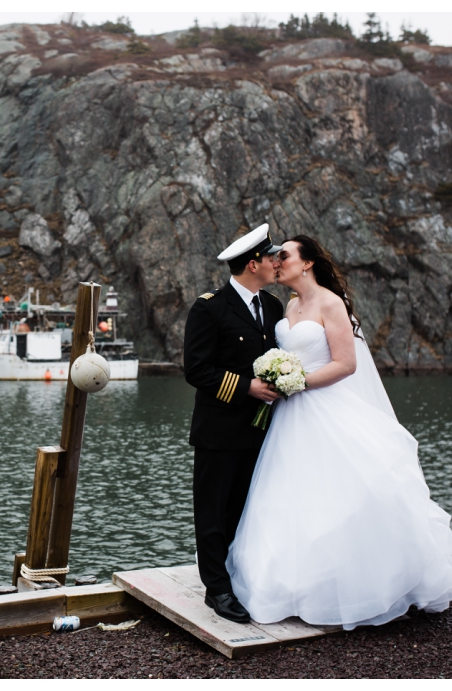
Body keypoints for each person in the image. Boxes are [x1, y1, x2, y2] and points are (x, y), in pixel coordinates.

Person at [226, 235, 452, 630]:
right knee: (290, 497)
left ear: (306, 263)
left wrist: (296, 381)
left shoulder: (330, 302)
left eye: (284, 255)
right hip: (289, 418)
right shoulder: (288, 306)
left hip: (323, 407)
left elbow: (345, 364)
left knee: (344, 493)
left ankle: (365, 586)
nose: (277, 260)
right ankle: (294, 586)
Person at [183, 223, 284, 623]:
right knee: (213, 513)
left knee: (244, 509)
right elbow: (196, 370)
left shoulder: (273, 307)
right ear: (253, 263)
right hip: (219, 430)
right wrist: (248, 388)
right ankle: (217, 590)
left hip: (261, 431)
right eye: (272, 257)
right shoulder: (209, 307)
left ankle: (238, 578)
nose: (278, 263)